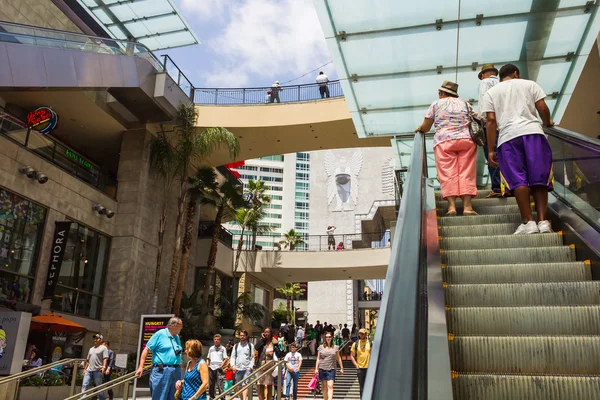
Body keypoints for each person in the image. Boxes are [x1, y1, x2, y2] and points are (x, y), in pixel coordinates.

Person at [481, 63, 555, 235]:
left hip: (508, 138)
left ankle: (528, 222)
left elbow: (490, 121)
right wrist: (547, 123)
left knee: (518, 179)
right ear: (516, 73)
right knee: (539, 176)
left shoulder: (491, 93)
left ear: (500, 77)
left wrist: (491, 149)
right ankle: (543, 222)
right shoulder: (530, 84)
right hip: (534, 134)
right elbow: (542, 107)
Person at [416, 80, 479, 216]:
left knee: (448, 173)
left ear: (443, 93)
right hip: (466, 140)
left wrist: (419, 129)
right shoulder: (466, 104)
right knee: (466, 172)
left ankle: (452, 207)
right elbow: (478, 119)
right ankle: (467, 207)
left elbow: (426, 127)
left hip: (444, 141)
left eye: (440, 93)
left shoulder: (436, 104)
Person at [136, 317, 183, 400]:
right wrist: (141, 366)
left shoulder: (177, 337)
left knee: (175, 397)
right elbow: (146, 349)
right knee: (160, 397)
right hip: (162, 370)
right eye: (180, 325)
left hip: (176, 371)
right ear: (174, 325)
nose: (182, 327)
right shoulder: (160, 334)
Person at [478, 63, 503, 198]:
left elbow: (484, 103)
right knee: (505, 155)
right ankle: (510, 186)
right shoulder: (502, 83)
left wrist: (482, 119)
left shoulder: (484, 83)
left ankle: (497, 188)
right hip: (505, 125)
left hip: (491, 124)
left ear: (482, 75)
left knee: (492, 155)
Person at [315, 332, 344, 400]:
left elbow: (338, 358)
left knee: (330, 386)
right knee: (324, 387)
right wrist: (316, 368)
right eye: (327, 337)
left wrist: (341, 368)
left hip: (331, 369)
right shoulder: (321, 347)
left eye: (329, 337)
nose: (328, 338)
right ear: (325, 338)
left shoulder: (336, 347)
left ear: (332, 338)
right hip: (322, 368)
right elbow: (318, 358)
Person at [82, 333, 109, 400]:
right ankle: (83, 398)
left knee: (99, 386)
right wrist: (85, 369)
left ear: (101, 339)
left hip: (97, 370)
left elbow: (105, 358)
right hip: (89, 369)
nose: (95, 340)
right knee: (85, 384)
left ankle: (102, 398)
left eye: (97, 338)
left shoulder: (103, 348)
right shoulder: (91, 349)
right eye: (94, 338)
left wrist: (104, 367)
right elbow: (87, 360)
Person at [255, 328, 278, 400]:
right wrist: (262, 339)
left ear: (271, 333)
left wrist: (273, 352)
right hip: (261, 365)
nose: (266, 333)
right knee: (260, 384)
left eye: (268, 332)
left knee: (269, 384)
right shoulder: (261, 342)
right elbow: (256, 347)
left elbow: (280, 353)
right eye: (265, 332)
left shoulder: (274, 343)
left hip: (270, 366)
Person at [231, 330, 255, 400]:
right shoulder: (236, 346)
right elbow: (233, 357)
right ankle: (242, 398)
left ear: (246, 336)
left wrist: (250, 367)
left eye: (243, 335)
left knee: (245, 384)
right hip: (238, 368)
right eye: (241, 335)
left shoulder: (250, 346)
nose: (242, 337)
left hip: (246, 368)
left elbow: (252, 357)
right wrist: (233, 365)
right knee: (238, 386)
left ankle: (244, 399)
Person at [350, 328, 372, 396]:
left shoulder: (370, 343)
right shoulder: (355, 344)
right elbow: (352, 356)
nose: (361, 335)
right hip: (360, 368)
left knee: (369, 386)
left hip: (369, 368)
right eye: (360, 333)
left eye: (363, 333)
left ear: (366, 334)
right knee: (362, 387)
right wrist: (356, 366)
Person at [207, 334, 228, 399]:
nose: (216, 341)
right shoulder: (211, 348)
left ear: (220, 340)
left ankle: (222, 398)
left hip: (219, 369)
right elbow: (208, 358)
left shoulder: (223, 348)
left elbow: (225, 358)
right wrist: (208, 365)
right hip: (212, 368)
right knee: (211, 385)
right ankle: (212, 398)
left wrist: (221, 366)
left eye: (217, 339)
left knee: (220, 385)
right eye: (215, 339)